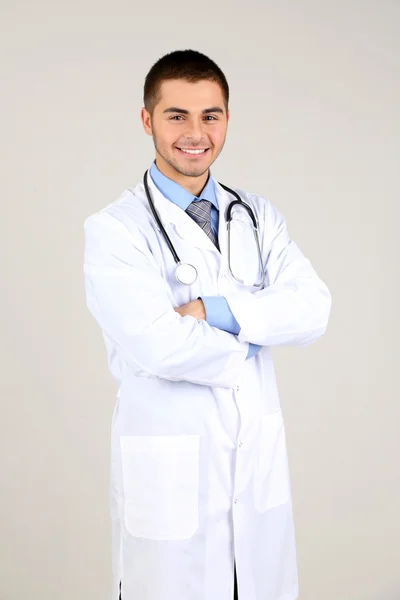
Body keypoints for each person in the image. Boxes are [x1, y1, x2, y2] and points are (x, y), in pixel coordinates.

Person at [83, 49, 332, 600]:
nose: (195, 133)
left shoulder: (258, 215)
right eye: (177, 116)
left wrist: (215, 311)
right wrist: (256, 332)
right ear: (147, 120)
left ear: (226, 119)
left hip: (255, 477)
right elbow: (158, 345)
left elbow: (314, 308)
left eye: (210, 115)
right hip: (170, 485)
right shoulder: (115, 230)